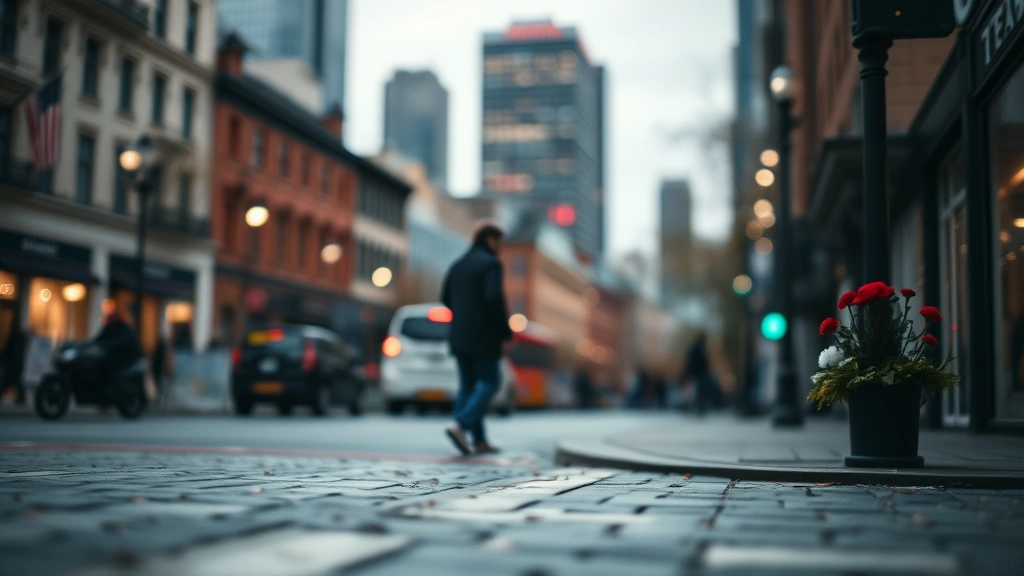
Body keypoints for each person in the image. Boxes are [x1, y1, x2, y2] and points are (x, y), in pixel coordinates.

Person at [440, 223, 513, 456]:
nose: (501, 247)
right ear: (490, 239)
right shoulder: (491, 264)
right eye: (499, 241)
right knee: (491, 381)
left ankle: (479, 440)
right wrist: (505, 332)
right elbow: (494, 300)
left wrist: (464, 313)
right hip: (483, 336)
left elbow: (444, 298)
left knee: (469, 386)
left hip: (458, 335)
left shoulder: (458, 264)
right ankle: (461, 425)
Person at [682, 332, 713, 415]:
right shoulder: (696, 349)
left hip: (700, 373)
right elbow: (691, 361)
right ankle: (693, 407)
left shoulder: (701, 348)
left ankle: (699, 408)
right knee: (696, 391)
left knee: (699, 391)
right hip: (697, 373)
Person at [1, 310, 27, 405]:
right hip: (16, 363)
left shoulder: (17, 335)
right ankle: (21, 398)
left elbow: (13, 350)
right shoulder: (19, 335)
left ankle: (21, 398)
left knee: (7, 381)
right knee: (16, 381)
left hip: (14, 364)